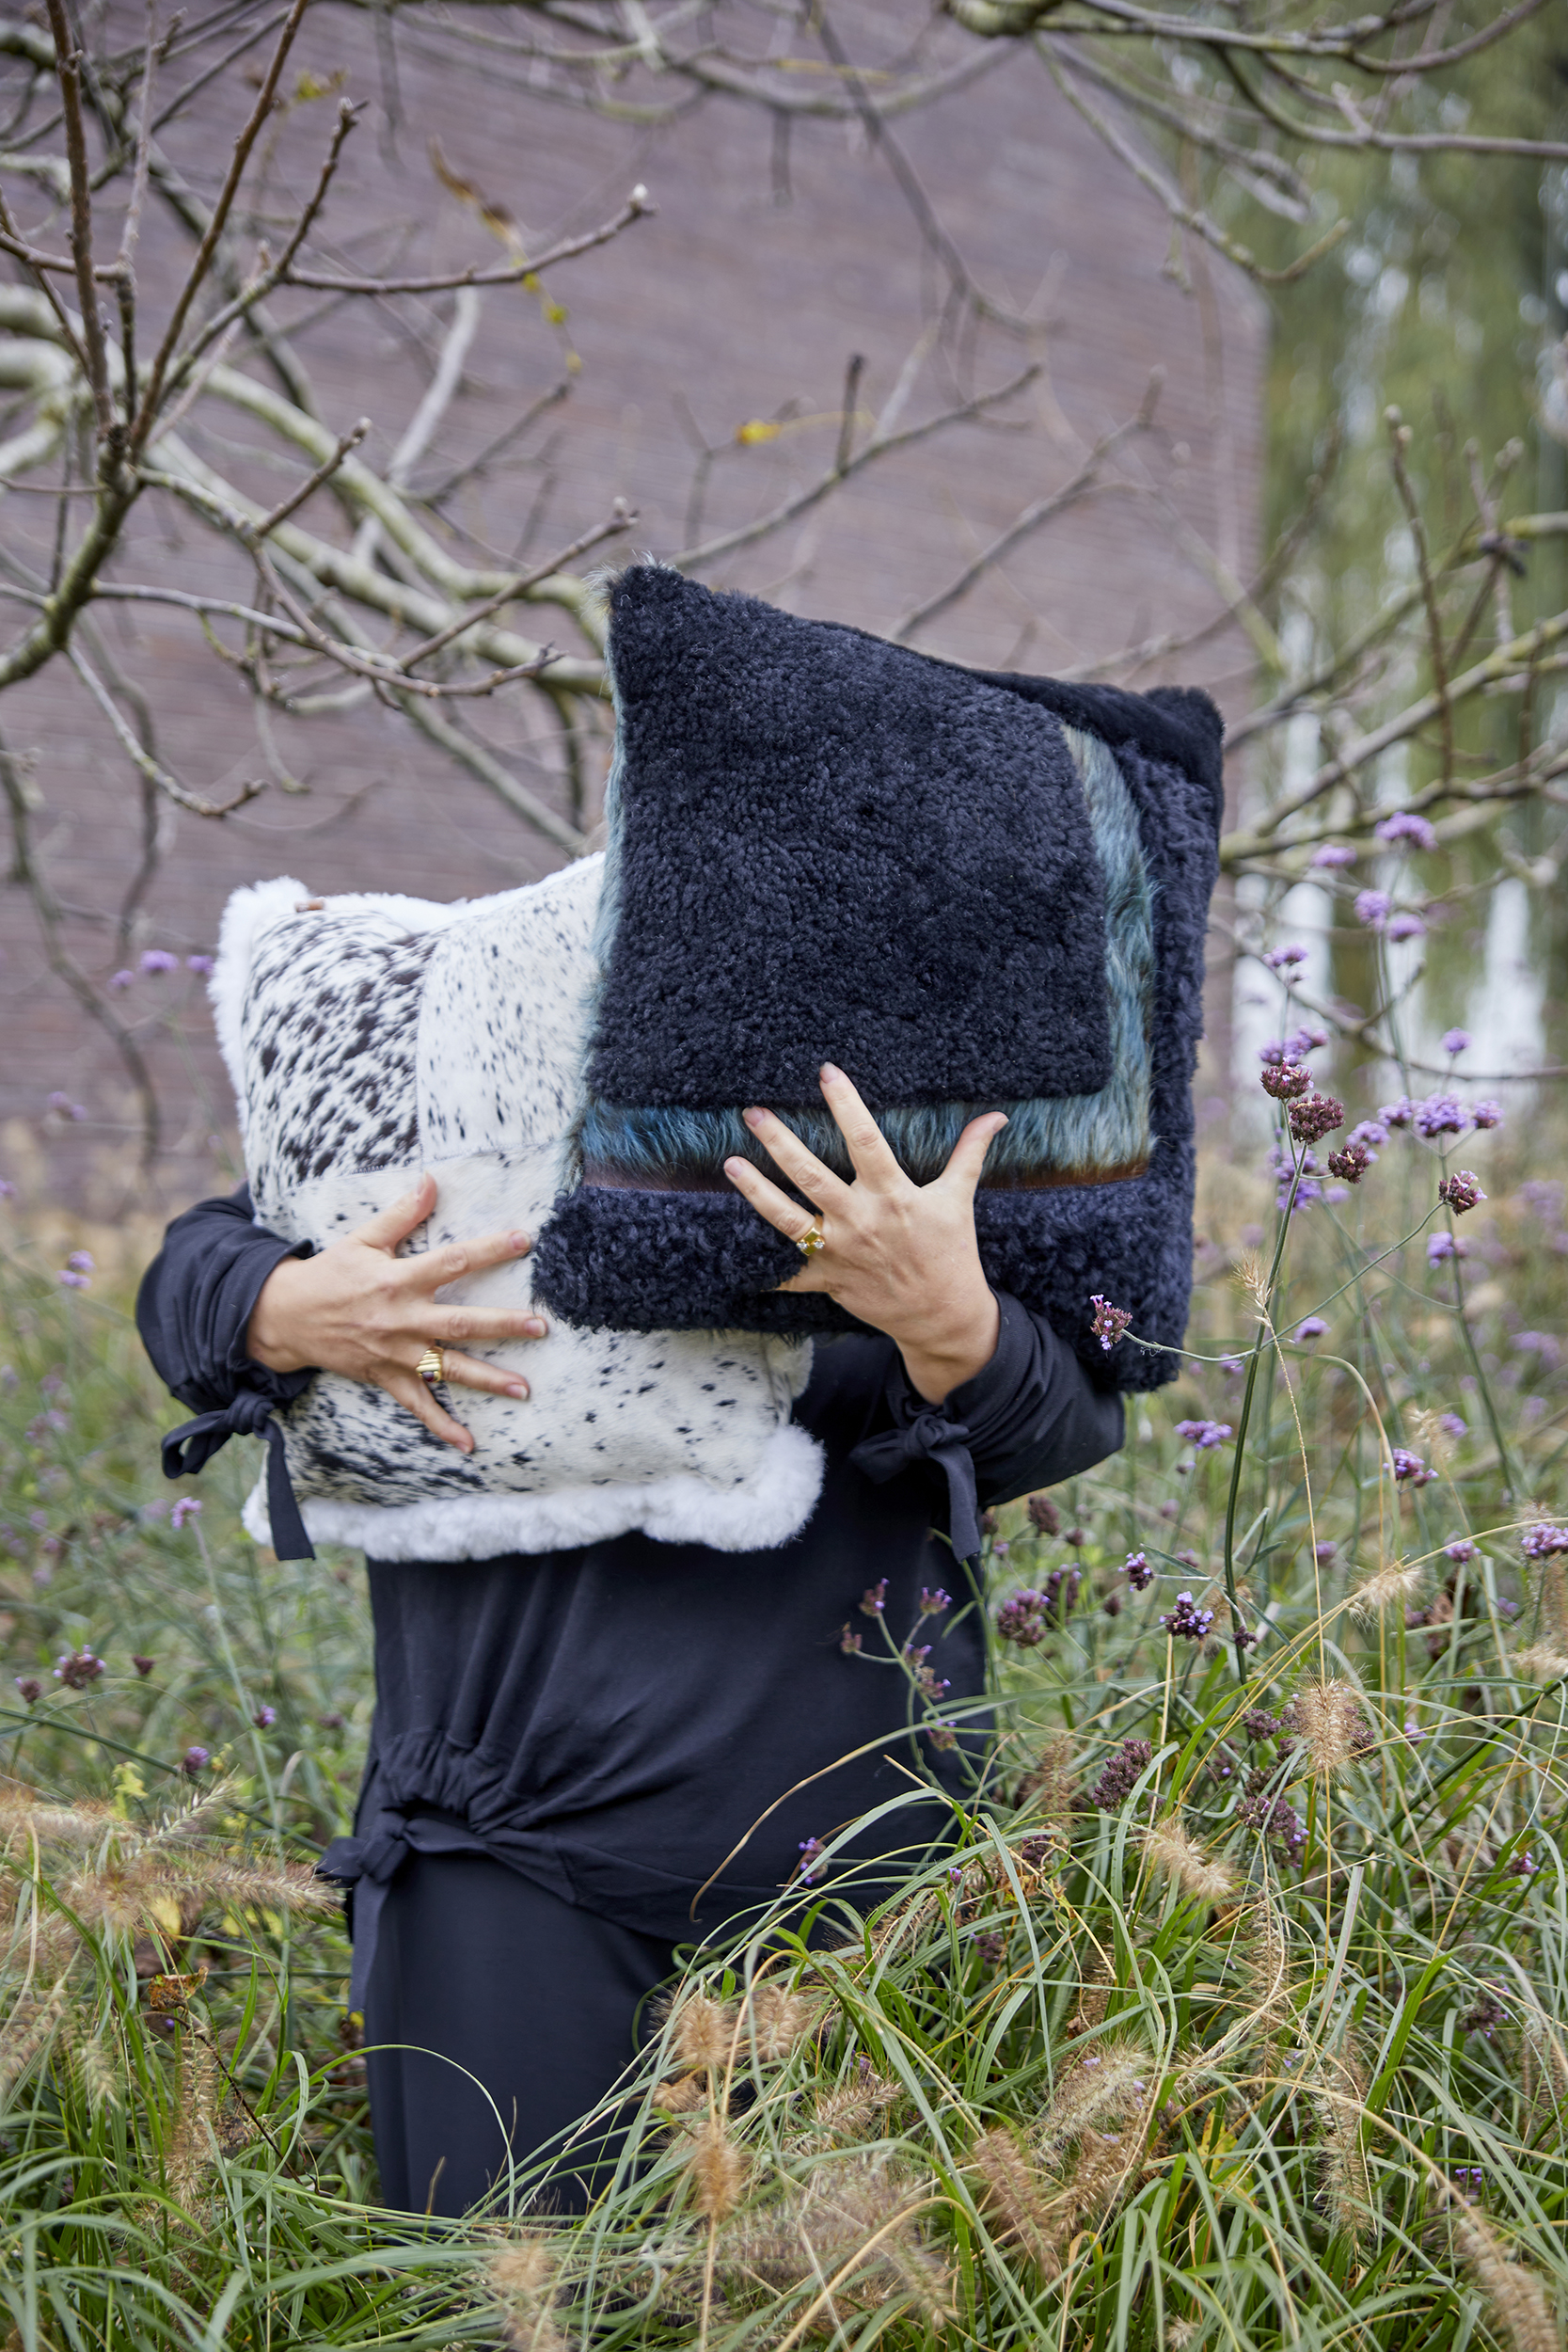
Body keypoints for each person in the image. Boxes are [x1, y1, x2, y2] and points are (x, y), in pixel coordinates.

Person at [136, 1062, 1123, 2216]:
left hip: (865, 1868)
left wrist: (954, 1322)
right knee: (509, 2311)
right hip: (498, 1847)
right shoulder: (501, 1041)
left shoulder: (924, 1092)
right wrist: (283, 1305)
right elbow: (193, 1277)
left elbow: (1066, 1414)